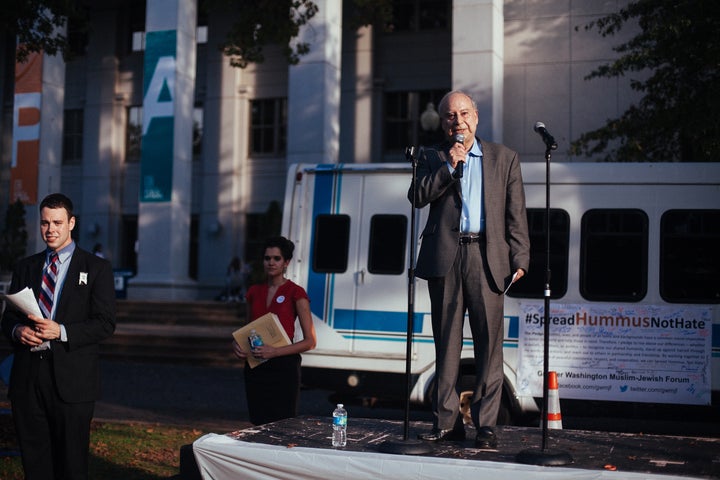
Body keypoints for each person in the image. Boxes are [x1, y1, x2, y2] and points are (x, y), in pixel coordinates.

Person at [408, 91, 530, 449]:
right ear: (444, 123)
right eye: (449, 116)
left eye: (463, 113)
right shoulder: (431, 156)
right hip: (445, 258)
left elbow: (516, 214)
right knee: (446, 344)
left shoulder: (504, 158)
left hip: (487, 258)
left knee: (489, 347)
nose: (457, 121)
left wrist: (520, 259)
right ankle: (446, 423)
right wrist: (450, 165)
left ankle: (486, 426)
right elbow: (417, 197)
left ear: (475, 116)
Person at [1, 193, 116, 479]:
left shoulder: (96, 268)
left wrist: (62, 331)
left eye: (57, 222)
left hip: (72, 383)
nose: (50, 229)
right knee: (35, 464)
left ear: (71, 223)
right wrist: (18, 330)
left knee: (71, 466)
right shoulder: (25, 267)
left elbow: (105, 323)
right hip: (28, 381)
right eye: (44, 223)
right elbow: (8, 319)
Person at [231, 236, 316, 425]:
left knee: (282, 425)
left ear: (286, 262)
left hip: (283, 368)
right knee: (258, 423)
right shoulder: (253, 291)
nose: (271, 262)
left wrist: (275, 351)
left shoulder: (296, 292)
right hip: (256, 367)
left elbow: (310, 341)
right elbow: (247, 329)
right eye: (267, 258)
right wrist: (237, 345)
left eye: (276, 258)